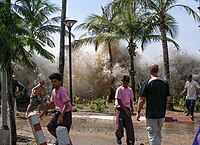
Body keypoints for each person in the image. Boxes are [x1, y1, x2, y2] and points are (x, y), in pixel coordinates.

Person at [136, 64, 171, 145]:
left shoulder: (147, 82)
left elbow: (141, 99)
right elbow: (168, 98)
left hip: (151, 113)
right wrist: (162, 105)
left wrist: (138, 112)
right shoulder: (164, 82)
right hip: (161, 113)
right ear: (158, 71)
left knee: (153, 134)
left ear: (150, 71)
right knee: (158, 133)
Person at [39, 73, 72, 145]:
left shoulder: (62, 90)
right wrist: (44, 112)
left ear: (59, 82)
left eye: (55, 81)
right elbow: (51, 103)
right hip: (58, 112)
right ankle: (62, 141)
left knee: (63, 131)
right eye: (52, 82)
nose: (53, 83)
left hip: (65, 113)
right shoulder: (54, 91)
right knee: (50, 127)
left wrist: (61, 116)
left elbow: (66, 104)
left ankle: (63, 141)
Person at [115, 75, 135, 145]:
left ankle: (130, 141)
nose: (125, 84)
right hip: (120, 109)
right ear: (122, 82)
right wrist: (126, 110)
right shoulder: (119, 89)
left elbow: (130, 100)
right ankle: (118, 139)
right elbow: (119, 101)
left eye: (127, 82)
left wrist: (132, 108)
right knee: (119, 126)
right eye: (124, 82)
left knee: (129, 127)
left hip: (127, 108)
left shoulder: (130, 90)